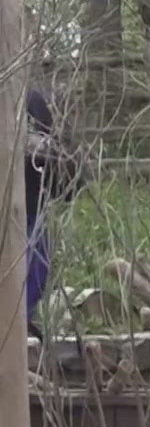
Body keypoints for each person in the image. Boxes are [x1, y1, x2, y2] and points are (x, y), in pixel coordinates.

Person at [24, 85, 80, 337]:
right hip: (25, 210)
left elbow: (64, 159)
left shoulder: (34, 99)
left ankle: (21, 322)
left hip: (28, 206)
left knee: (34, 265)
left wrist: (40, 148)